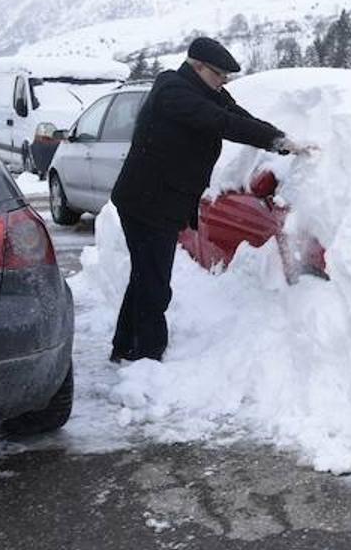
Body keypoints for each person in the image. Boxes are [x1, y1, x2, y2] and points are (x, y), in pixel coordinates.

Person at [109, 37, 310, 362]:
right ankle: (147, 356)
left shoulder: (206, 90)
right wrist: (276, 142)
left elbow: (238, 114)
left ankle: (125, 346)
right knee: (155, 282)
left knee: (145, 276)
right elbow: (222, 122)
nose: (223, 83)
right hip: (146, 204)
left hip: (160, 201)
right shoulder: (172, 92)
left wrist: (282, 139)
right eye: (219, 75)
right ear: (197, 66)